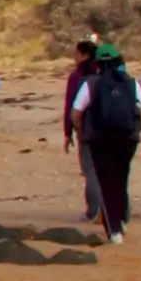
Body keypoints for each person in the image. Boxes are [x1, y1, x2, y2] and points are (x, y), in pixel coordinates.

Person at [69, 42, 141, 244]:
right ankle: (122, 219)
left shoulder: (91, 83)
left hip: (100, 139)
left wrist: (82, 131)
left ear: (97, 62)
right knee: (121, 179)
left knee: (106, 182)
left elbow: (76, 112)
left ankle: (114, 230)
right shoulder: (131, 83)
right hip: (127, 138)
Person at [62, 40, 103, 223]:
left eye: (77, 53)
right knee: (110, 169)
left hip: (87, 128)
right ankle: (115, 209)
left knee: (90, 170)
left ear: (84, 55)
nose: (74, 56)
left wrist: (69, 131)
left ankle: (94, 210)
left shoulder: (78, 76)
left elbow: (71, 106)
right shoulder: (105, 72)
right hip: (113, 127)